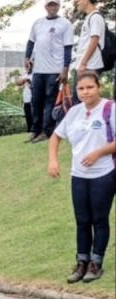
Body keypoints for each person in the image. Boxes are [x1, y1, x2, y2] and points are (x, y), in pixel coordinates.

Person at [48, 72, 115, 283]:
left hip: (104, 173)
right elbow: (55, 137)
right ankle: (81, 262)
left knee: (99, 219)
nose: (85, 92)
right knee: (82, 220)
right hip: (79, 175)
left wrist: (98, 153)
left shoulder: (110, 109)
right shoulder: (74, 112)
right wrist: (53, 160)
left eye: (89, 88)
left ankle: (96, 263)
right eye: (81, 89)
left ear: (98, 87)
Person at [25, 0, 74, 142]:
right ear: (45, 6)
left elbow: (68, 48)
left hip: (55, 70)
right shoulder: (38, 23)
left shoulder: (65, 24)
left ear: (58, 6)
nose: (52, 7)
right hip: (38, 70)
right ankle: (35, 130)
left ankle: (47, 131)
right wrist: (27, 57)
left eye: (55, 4)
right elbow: (31, 42)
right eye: (50, 4)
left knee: (49, 101)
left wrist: (65, 69)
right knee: (36, 100)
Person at [71, 0, 106, 104]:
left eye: (78, 1)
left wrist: (83, 63)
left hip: (89, 66)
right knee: (79, 100)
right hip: (85, 65)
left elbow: (94, 40)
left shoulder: (95, 17)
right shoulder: (90, 17)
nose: (76, 4)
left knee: (86, 100)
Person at [16, 60, 34, 133]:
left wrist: (30, 81)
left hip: (33, 99)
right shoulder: (25, 75)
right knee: (28, 117)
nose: (27, 67)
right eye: (26, 66)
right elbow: (17, 82)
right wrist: (25, 79)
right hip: (26, 100)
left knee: (33, 116)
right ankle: (29, 131)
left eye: (29, 65)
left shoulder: (34, 74)